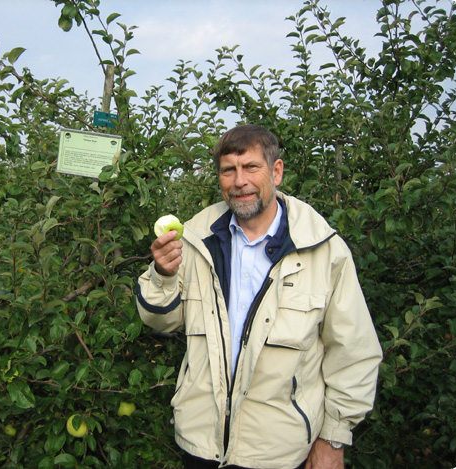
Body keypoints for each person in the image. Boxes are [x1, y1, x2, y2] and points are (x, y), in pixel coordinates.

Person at [136, 124, 382, 469]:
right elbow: (161, 322)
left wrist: (333, 438)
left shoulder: (323, 251)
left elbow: (354, 351)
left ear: (276, 172)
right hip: (201, 444)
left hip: (280, 450)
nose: (239, 181)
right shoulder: (195, 240)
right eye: (228, 170)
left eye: (251, 167)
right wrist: (163, 275)